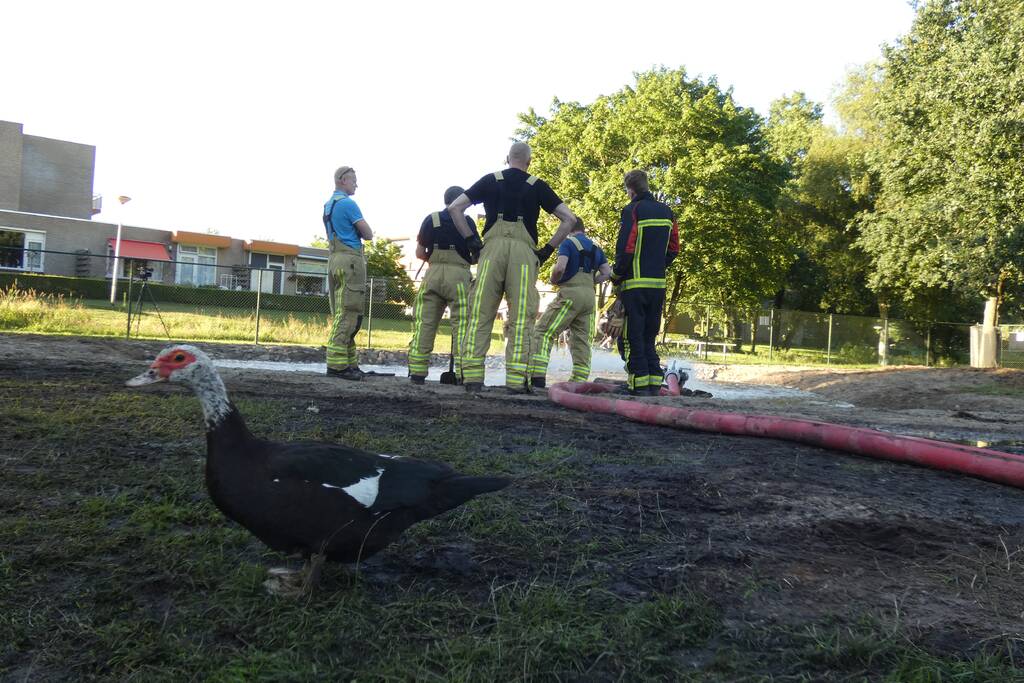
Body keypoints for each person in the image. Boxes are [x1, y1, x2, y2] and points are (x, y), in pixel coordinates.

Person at [446, 142, 578, 393]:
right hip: (524, 256)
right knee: (521, 319)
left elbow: (455, 208)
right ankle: (516, 381)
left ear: (507, 159)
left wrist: (471, 240)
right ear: (529, 162)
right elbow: (569, 219)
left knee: (480, 314)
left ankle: (472, 378)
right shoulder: (537, 185)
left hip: (491, 253)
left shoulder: (490, 180)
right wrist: (547, 250)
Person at [611, 170, 679, 395]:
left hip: (634, 285)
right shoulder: (668, 212)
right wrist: (657, 266)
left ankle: (638, 386)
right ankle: (653, 384)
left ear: (630, 190)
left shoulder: (632, 210)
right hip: (658, 286)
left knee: (632, 338)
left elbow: (626, 247)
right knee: (649, 337)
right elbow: (674, 248)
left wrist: (617, 274)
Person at [407, 186, 481, 384]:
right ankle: (462, 374)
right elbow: (477, 254)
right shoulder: (467, 222)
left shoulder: (431, 219)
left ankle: (417, 373)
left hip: (433, 275)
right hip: (458, 277)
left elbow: (420, 253)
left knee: (425, 324)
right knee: (462, 325)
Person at [527, 219, 611, 388]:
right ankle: (578, 382)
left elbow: (560, 268)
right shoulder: (596, 248)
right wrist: (590, 282)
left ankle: (537, 378)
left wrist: (554, 279)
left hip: (570, 294)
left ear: (568, 229)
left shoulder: (567, 243)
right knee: (582, 341)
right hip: (589, 297)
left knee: (543, 332)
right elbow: (607, 273)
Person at [323, 166, 373, 381]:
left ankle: (349, 364)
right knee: (349, 313)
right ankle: (336, 366)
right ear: (342, 180)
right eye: (353, 180)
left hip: (334, 259)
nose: (356, 185)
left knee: (342, 312)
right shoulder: (348, 204)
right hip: (350, 260)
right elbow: (368, 234)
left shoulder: (329, 205)